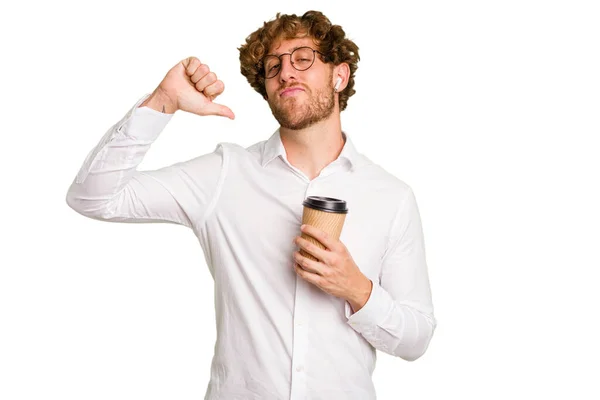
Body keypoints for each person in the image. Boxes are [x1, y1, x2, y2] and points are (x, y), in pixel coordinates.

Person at [66, 10, 436, 400]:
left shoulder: (391, 196)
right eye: (273, 66)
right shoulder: (225, 175)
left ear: (339, 76)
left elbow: (416, 338)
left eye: (303, 58)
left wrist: (357, 289)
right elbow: (93, 196)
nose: (286, 73)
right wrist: (163, 101)